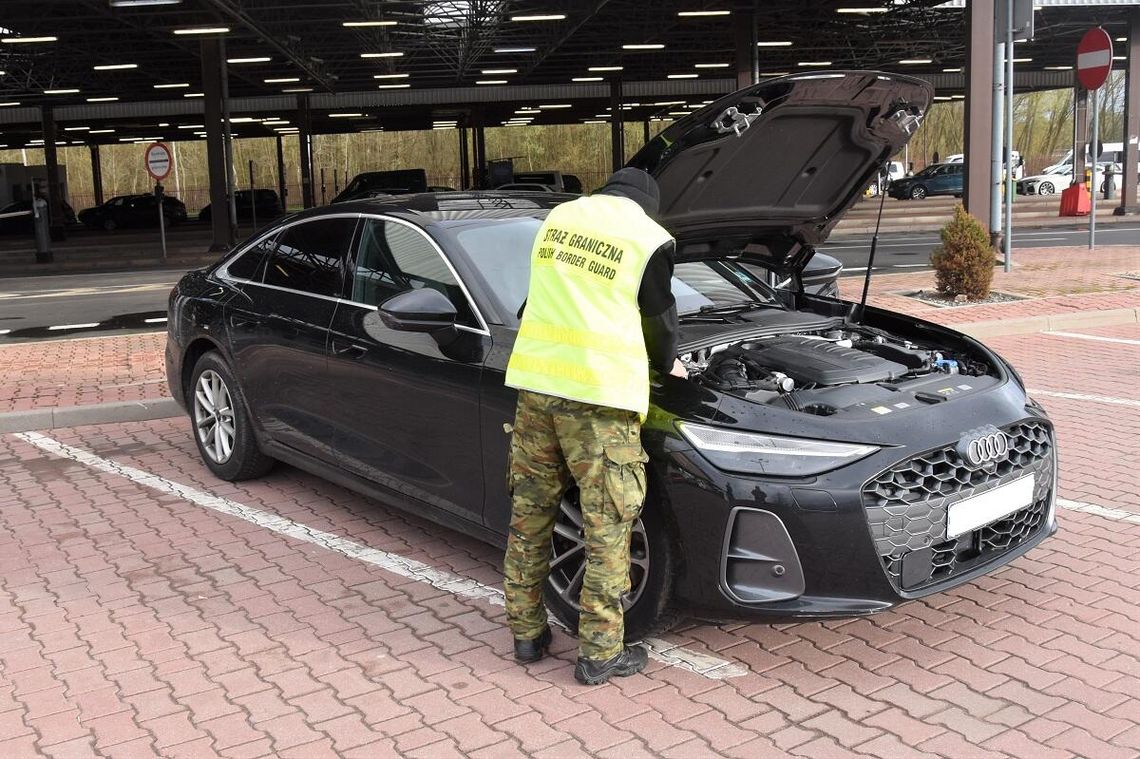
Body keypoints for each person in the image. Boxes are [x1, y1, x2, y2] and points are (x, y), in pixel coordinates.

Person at [502, 168, 685, 685]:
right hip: (600, 400)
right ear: (648, 204)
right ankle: (601, 654)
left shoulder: (558, 218)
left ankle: (526, 634)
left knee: (530, 514)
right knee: (607, 525)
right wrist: (668, 363)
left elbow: (542, 298)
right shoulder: (647, 236)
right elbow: (659, 319)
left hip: (537, 387)